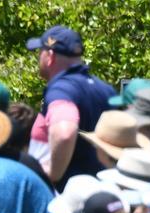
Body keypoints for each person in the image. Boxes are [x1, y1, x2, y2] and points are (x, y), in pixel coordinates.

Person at [25, 25, 117, 187]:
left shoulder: (61, 89)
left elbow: (65, 133)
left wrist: (53, 174)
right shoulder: (105, 89)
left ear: (50, 56)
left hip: (73, 197)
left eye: (41, 52)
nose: (39, 57)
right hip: (106, 190)